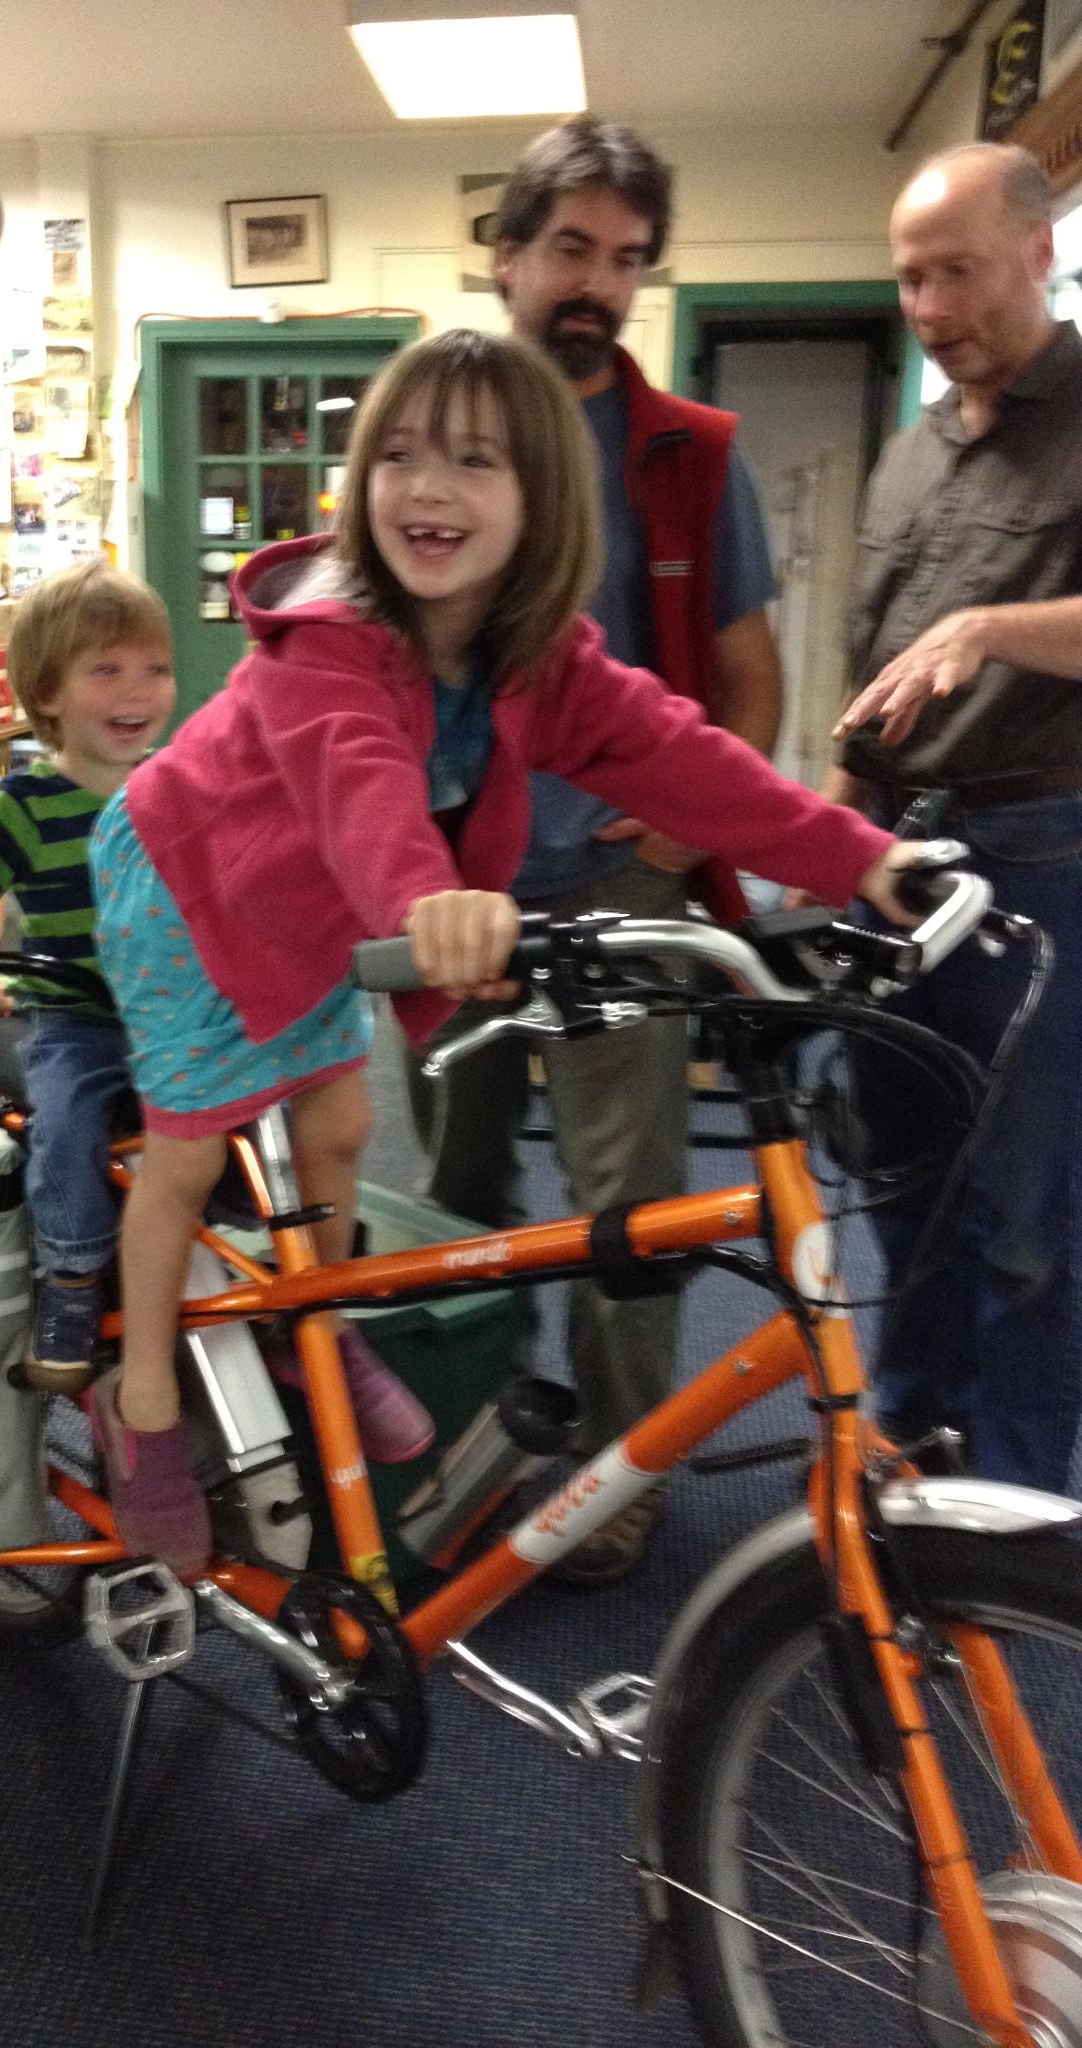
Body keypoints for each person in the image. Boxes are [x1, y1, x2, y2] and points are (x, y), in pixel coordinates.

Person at [86, 327, 925, 1575]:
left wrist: (861, 857)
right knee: (189, 1146)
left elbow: (681, 752)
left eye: (475, 461)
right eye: (403, 457)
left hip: (316, 911)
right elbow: (358, 778)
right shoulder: (332, 635)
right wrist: (430, 901)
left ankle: (319, 1321)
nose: (429, 489)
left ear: (540, 498)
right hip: (189, 882)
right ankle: (142, 1399)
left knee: (336, 1129)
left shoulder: (538, 651)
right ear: (362, 480)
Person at [407, 115, 784, 1583]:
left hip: (623, 882)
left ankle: (619, 1472)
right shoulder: (431, 433)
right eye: (570, 247)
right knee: (459, 1181)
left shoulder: (691, 454)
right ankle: (459, 1434)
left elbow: (747, 673)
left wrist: (691, 821)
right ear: (503, 254)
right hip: (452, 883)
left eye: (627, 260)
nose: (598, 285)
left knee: (630, 1204)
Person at [829, 141, 1082, 1496]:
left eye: (957, 271)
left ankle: (1029, 1503)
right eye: (910, 278)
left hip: (1047, 854)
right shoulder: (910, 455)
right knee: (905, 1176)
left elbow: (975, 640)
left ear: (1039, 252)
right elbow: (873, 670)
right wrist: (836, 834)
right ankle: (915, 1450)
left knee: (1028, 1211)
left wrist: (997, 626)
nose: (928, 307)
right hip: (898, 859)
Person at [0, 561, 176, 1395]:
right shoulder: (22, 802)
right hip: (78, 1018)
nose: (138, 690)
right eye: (107, 670)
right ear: (48, 694)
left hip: (181, 1012)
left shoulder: (182, 783)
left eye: (155, 669)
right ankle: (70, 1277)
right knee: (63, 1125)